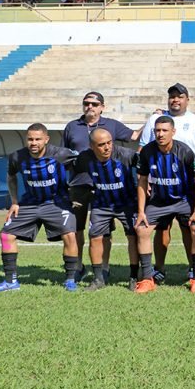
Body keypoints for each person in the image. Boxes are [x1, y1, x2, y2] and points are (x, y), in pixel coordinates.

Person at [0, 124, 80, 292]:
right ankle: (10, 281)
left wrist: (76, 194)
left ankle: (70, 279)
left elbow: (84, 162)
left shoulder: (61, 154)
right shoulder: (17, 157)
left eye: (38, 139)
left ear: (46, 139)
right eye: (30, 139)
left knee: (70, 235)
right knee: (6, 235)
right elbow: (11, 177)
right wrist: (14, 202)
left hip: (57, 203)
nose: (34, 142)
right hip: (29, 203)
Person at [63, 91, 137, 282]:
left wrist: (155, 118)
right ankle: (79, 266)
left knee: (104, 231)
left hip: (107, 187)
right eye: (86, 103)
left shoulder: (111, 125)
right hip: (79, 184)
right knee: (77, 229)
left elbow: (135, 136)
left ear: (102, 107)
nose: (90, 106)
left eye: (94, 104)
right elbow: (65, 154)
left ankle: (104, 268)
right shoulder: (72, 126)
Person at [138, 83, 195, 283]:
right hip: (159, 192)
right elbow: (142, 156)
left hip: (185, 192)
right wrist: (142, 207)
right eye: (172, 96)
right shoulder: (154, 121)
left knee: (192, 228)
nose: (160, 133)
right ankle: (153, 273)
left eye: (180, 96)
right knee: (158, 230)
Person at [72, 128, 139, 292]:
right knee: (94, 237)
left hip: (127, 203)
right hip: (101, 204)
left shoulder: (127, 155)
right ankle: (98, 278)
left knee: (133, 237)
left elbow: (145, 168)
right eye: (101, 145)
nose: (107, 147)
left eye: (109, 143)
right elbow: (73, 170)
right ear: (92, 146)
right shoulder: (84, 158)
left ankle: (134, 277)